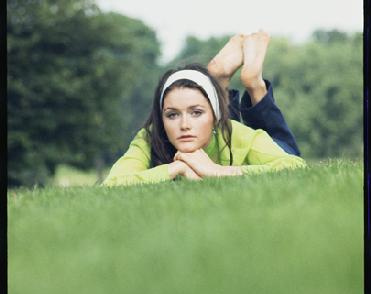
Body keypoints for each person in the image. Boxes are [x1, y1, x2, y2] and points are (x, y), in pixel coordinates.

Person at [102, 31, 306, 187]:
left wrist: (216, 171)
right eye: (172, 115)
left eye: (196, 113)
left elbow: (295, 166)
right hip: (220, 131)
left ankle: (254, 84)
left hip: (261, 142)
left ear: (215, 116)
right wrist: (175, 168)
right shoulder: (149, 138)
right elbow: (111, 184)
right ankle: (219, 81)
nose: (184, 125)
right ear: (161, 119)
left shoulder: (238, 134)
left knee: (283, 146)